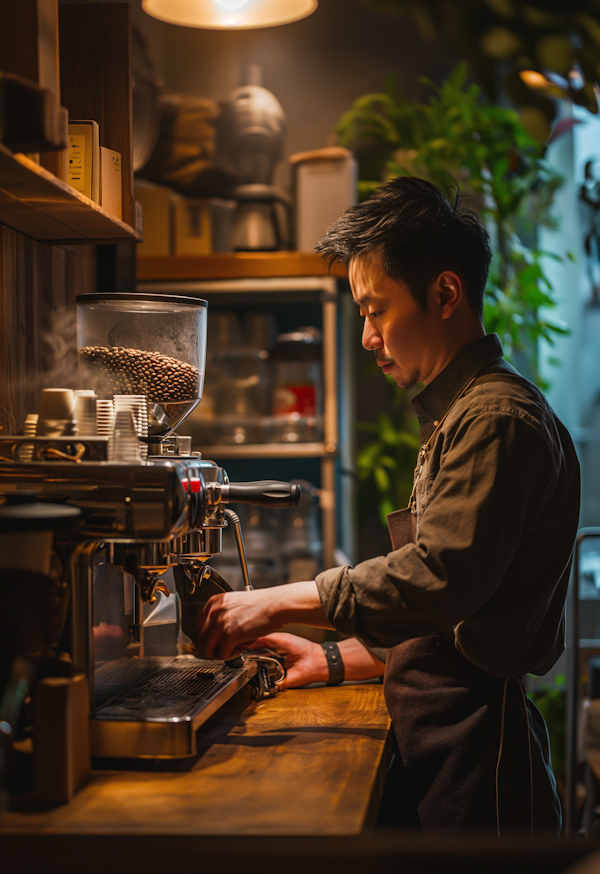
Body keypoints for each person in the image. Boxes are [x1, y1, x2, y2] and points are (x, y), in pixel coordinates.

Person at [196, 177, 580, 834]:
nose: (368, 336)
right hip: (445, 740)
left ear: (445, 293)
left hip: (480, 760)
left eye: (376, 310)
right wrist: (334, 657)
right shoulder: (461, 414)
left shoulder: (496, 419)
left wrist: (272, 598)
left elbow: (438, 581)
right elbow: (447, 624)